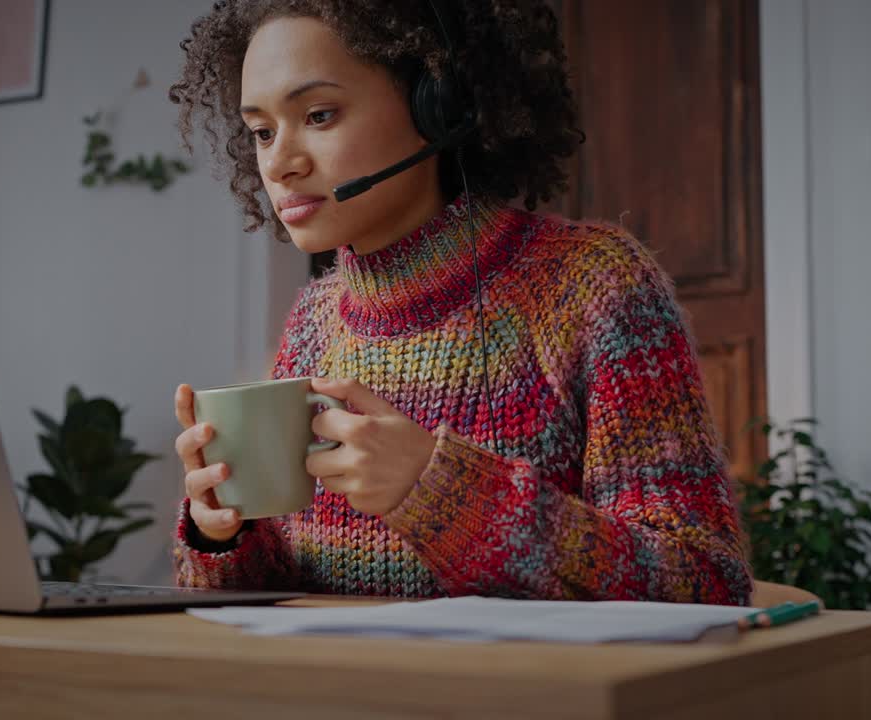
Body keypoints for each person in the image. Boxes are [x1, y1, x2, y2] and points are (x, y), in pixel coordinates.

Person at [166, 0, 752, 604]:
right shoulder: (314, 321)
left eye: (318, 115)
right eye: (262, 132)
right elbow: (274, 598)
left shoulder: (592, 285)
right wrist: (223, 534)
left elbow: (704, 581)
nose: (279, 163)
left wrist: (443, 493)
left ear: (437, 105)